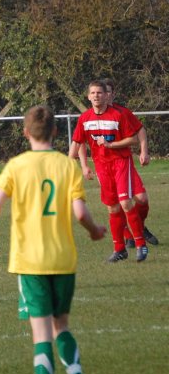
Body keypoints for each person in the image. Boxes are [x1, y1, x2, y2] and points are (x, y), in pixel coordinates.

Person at [0, 105, 106, 374]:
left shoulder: (17, 165)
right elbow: (80, 213)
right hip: (62, 259)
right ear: (54, 131)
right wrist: (95, 231)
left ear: (25, 132)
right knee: (61, 325)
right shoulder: (67, 165)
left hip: (29, 262)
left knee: (41, 334)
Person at [69, 80, 148, 262]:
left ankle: (140, 244)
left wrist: (111, 144)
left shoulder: (118, 115)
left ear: (106, 95)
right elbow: (76, 143)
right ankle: (119, 249)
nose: (96, 96)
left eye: (99, 93)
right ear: (88, 97)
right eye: (93, 93)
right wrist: (76, 164)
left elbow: (134, 139)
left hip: (121, 162)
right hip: (102, 166)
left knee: (126, 203)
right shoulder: (85, 119)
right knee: (112, 208)